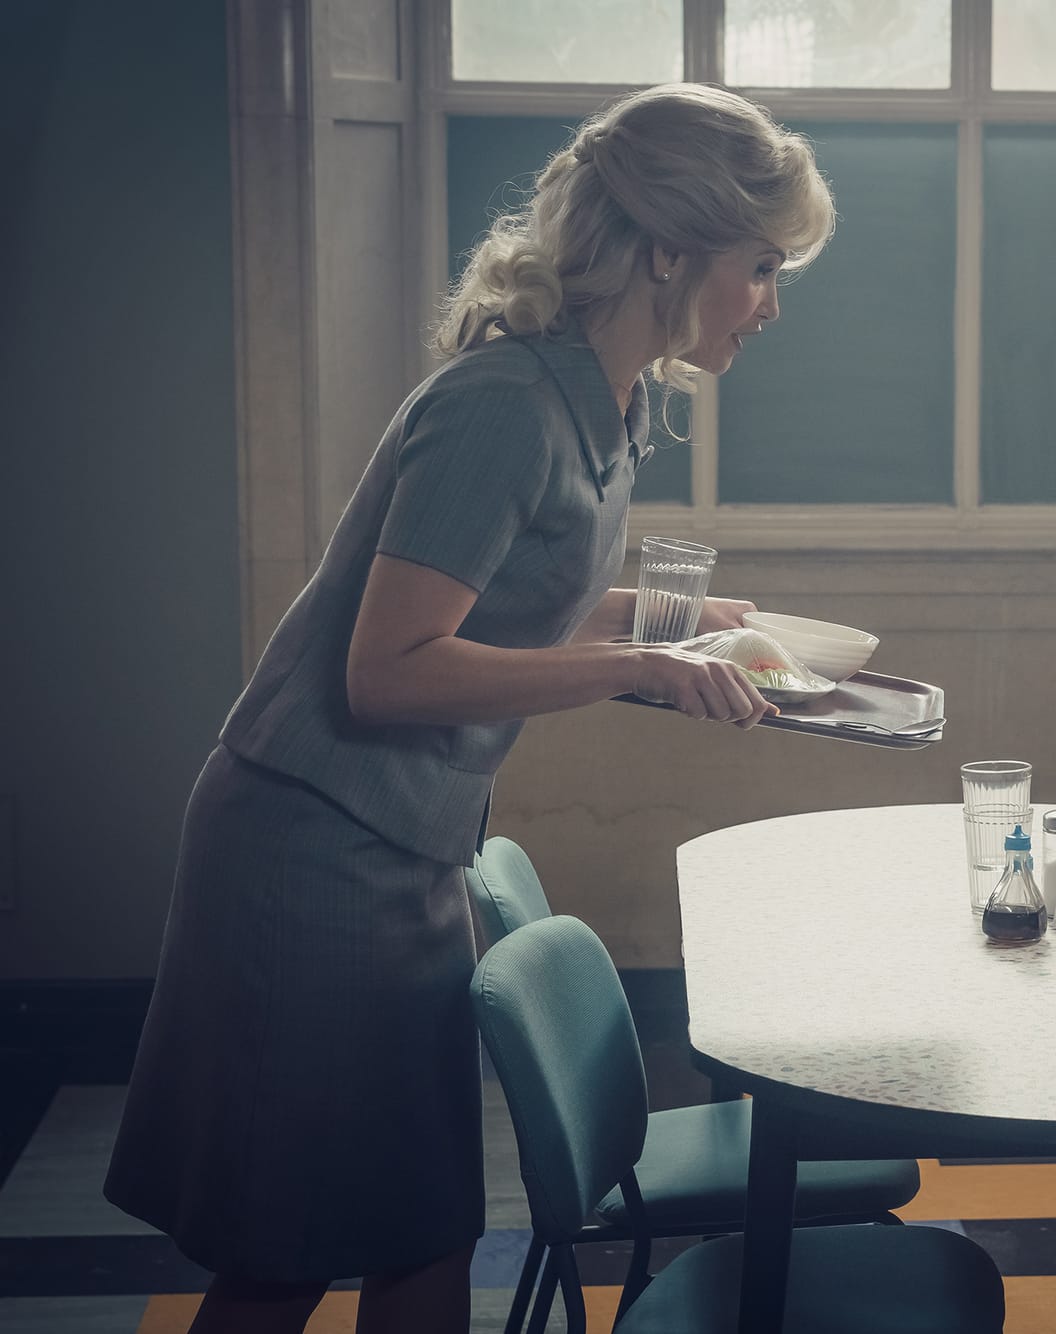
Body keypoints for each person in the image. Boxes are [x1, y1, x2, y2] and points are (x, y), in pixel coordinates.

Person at [102, 83, 835, 1334]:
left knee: (422, 1230)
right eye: (760, 266)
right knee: (288, 1254)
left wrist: (662, 625)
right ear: (669, 249)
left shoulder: (604, 401)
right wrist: (634, 666)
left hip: (399, 847)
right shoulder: (505, 403)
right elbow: (388, 671)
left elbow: (499, 609)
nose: (769, 304)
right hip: (307, 849)